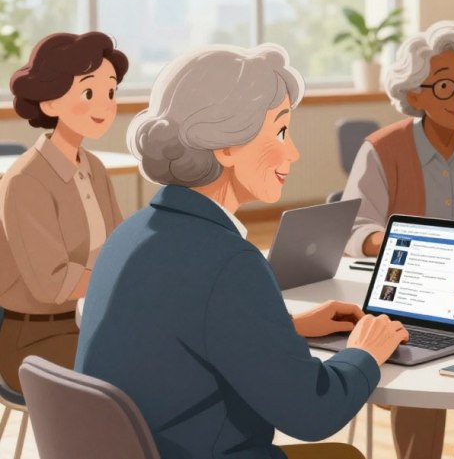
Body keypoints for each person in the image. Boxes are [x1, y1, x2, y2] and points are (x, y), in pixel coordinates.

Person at [76, 44, 408, 459]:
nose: (294, 152)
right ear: (226, 145)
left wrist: (290, 326)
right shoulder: (229, 262)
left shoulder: (132, 233)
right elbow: (313, 413)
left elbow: (181, 327)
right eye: (281, 132)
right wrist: (365, 351)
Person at [343, 20, 454, 459]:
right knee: (418, 375)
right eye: (444, 86)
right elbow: (352, 230)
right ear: (415, 94)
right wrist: (400, 243)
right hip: (410, 297)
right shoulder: (382, 149)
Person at [0, 32, 127, 392]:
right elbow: (52, 284)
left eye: (111, 92)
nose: (104, 105)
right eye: (89, 93)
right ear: (50, 102)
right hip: (34, 341)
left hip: (89, 321)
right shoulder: (26, 180)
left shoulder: (95, 168)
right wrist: (123, 277)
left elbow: (117, 248)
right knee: (143, 365)